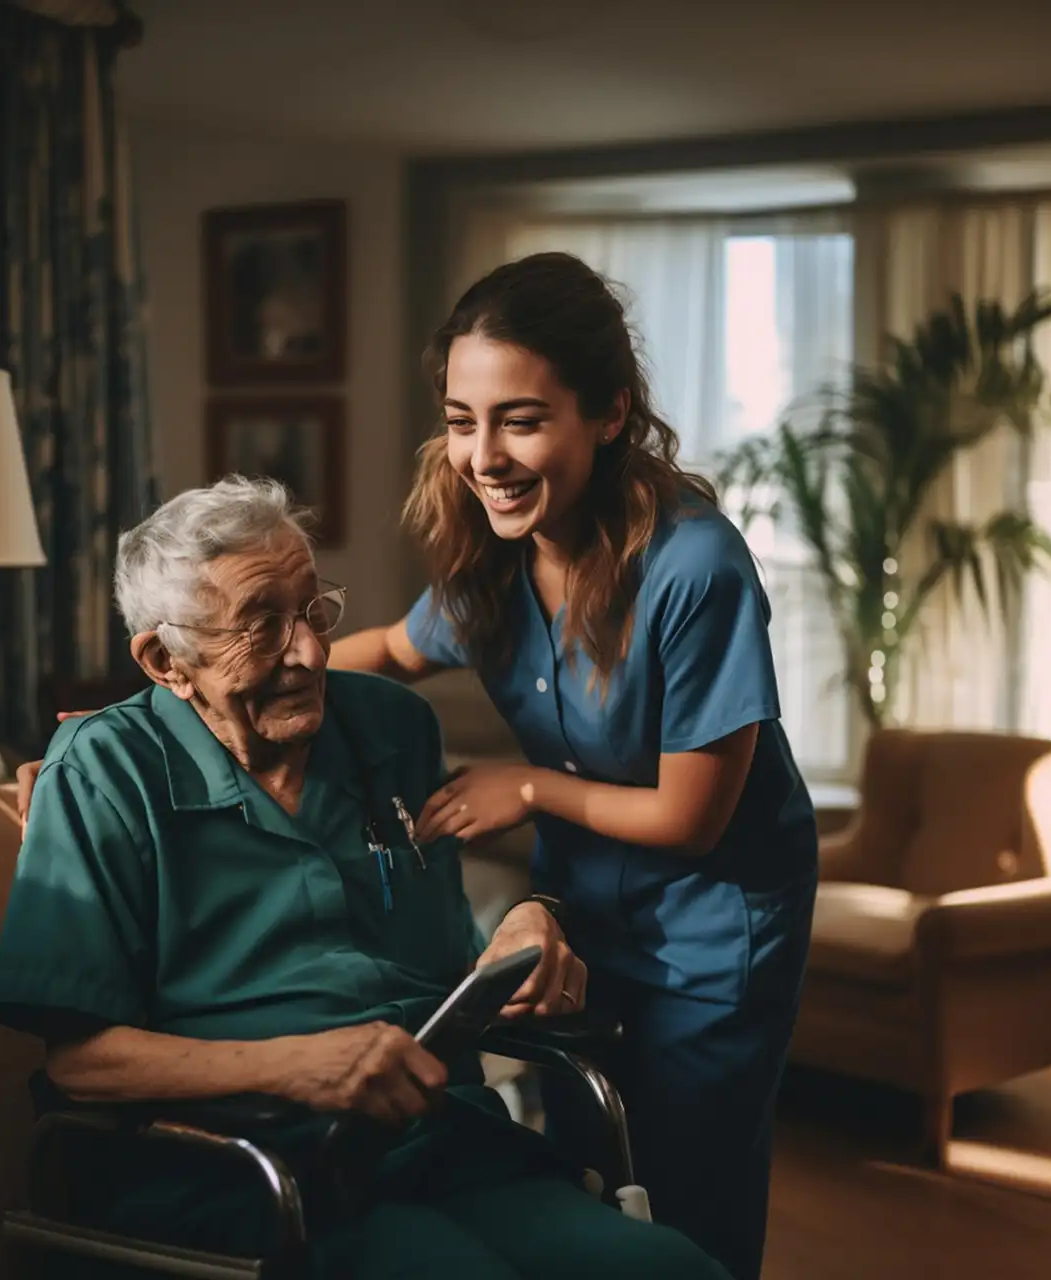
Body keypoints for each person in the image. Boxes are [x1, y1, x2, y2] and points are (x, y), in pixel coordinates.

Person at [0, 476, 727, 1280]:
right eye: (260, 624)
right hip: (239, 1171)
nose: (308, 651)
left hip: (442, 1146)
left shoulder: (390, 727)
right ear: (167, 660)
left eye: (312, 610)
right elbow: (81, 1062)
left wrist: (531, 916)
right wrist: (301, 1065)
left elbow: (452, 966)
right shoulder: (105, 772)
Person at [327, 253, 819, 1280]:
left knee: (686, 1206)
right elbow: (383, 650)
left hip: (709, 936)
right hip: (578, 915)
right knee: (584, 1181)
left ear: (606, 413)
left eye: (518, 418)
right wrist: (201, 685)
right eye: (460, 418)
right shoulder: (489, 551)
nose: (481, 454)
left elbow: (692, 815)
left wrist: (525, 786)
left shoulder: (695, 567)